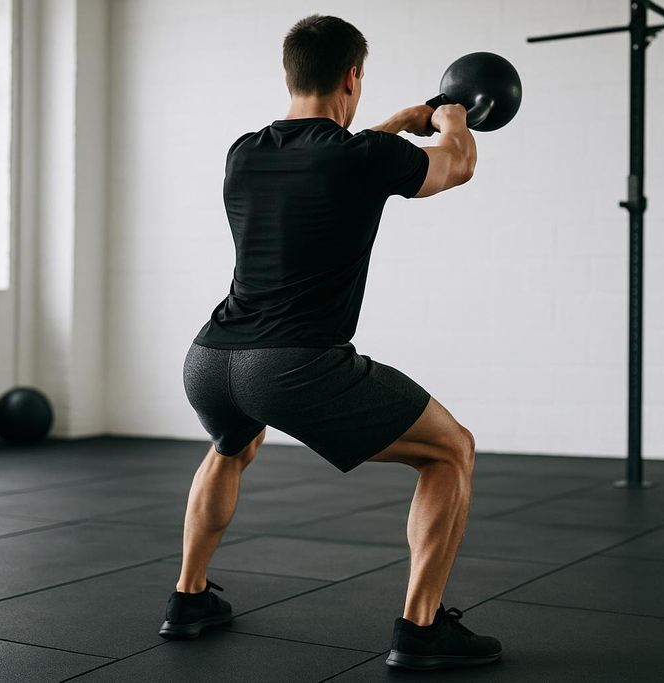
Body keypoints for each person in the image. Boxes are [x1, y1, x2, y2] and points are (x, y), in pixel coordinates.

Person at [159, 14, 501, 671]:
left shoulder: (246, 150)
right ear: (352, 77)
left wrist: (396, 125)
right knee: (451, 449)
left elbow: (327, 161)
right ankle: (421, 629)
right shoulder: (361, 158)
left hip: (210, 357)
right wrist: (456, 116)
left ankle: (188, 597)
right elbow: (455, 167)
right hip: (290, 365)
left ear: (290, 73)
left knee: (233, 442)